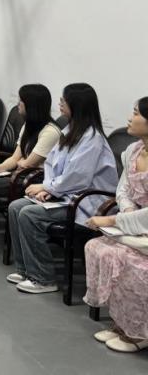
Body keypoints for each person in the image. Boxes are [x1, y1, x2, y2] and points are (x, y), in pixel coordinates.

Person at [7, 83, 118, 294]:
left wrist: (48, 187)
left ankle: (44, 278)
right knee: (15, 207)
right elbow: (52, 165)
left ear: (76, 105)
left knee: (29, 214)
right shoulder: (69, 130)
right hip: (66, 194)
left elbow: (78, 177)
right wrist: (48, 189)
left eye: (63, 101)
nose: (60, 103)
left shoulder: (92, 138)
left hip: (86, 202)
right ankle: (25, 270)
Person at [83, 96, 148, 352]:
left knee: (133, 263)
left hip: (138, 225)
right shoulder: (133, 151)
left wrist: (114, 220)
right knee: (99, 248)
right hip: (135, 224)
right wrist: (128, 210)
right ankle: (122, 323)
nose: (129, 118)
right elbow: (123, 190)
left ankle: (139, 333)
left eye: (136, 113)